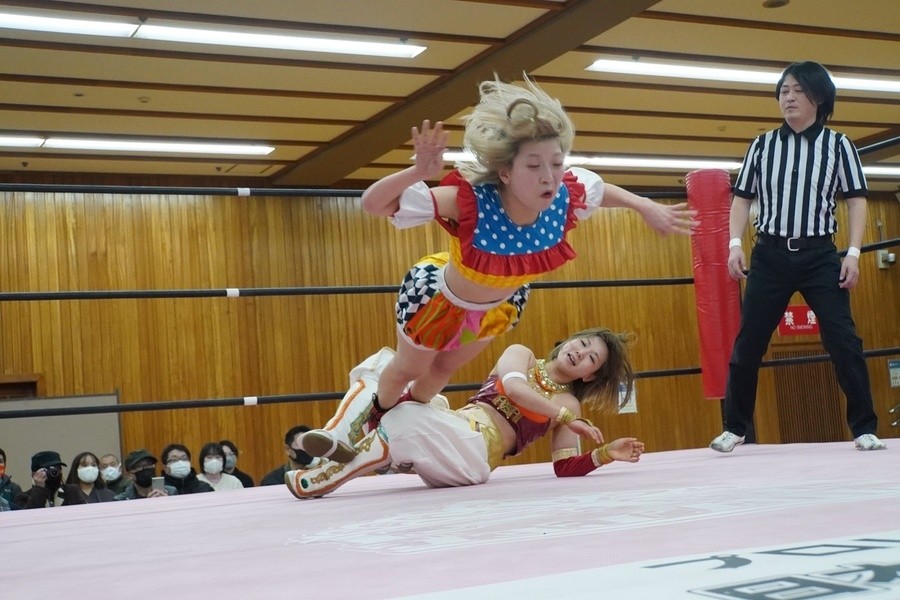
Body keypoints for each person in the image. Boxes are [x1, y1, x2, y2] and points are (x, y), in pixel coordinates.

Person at [356, 75, 696, 428]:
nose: (549, 176)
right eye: (534, 166)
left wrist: (644, 205)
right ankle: (372, 421)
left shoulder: (564, 198)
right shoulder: (470, 202)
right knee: (410, 368)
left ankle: (404, 424)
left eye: (557, 163)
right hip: (439, 300)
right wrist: (416, 172)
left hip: (496, 307)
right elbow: (373, 204)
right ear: (505, 173)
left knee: (444, 369)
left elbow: (600, 190)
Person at [710, 61, 885, 454]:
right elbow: (742, 199)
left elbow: (856, 200)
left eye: (797, 91)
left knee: (844, 340)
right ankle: (735, 428)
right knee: (748, 343)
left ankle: (864, 428)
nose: (788, 98)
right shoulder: (762, 145)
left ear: (818, 98)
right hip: (769, 253)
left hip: (820, 254)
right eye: (784, 91)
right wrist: (734, 243)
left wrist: (854, 252)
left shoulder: (839, 145)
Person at [286, 327, 645, 498]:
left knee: (405, 417)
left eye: (591, 358)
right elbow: (515, 388)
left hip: (473, 456)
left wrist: (604, 454)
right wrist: (567, 419)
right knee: (384, 365)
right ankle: (338, 437)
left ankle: (329, 472)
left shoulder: (569, 404)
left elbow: (564, 467)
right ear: (568, 340)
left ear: (590, 375)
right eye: (582, 343)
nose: (580, 352)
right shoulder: (521, 354)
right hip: (450, 425)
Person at [260, 426, 324, 486]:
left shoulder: (323, 476)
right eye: (300, 444)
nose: (305, 448)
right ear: (287, 449)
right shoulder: (272, 482)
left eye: (309, 444)